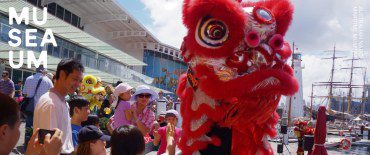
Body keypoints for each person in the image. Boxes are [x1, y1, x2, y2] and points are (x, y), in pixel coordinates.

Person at [33, 58, 84, 154]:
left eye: (80, 80)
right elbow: (47, 147)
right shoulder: (50, 104)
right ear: (62, 75)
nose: (78, 84)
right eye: (74, 79)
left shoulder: (62, 101)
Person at [23, 65, 54, 146]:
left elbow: (24, 93)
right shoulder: (48, 81)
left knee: (29, 126)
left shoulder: (28, 78)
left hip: (30, 107)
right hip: (42, 108)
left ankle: (27, 143)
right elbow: (52, 95)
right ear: (43, 71)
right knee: (40, 126)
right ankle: (38, 143)